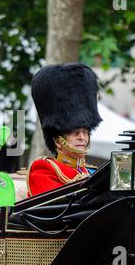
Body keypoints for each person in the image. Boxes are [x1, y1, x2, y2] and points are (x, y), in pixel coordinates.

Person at [28, 63, 103, 196]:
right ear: (58, 141)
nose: (82, 137)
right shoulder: (43, 169)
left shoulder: (93, 172)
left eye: (86, 132)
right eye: (75, 133)